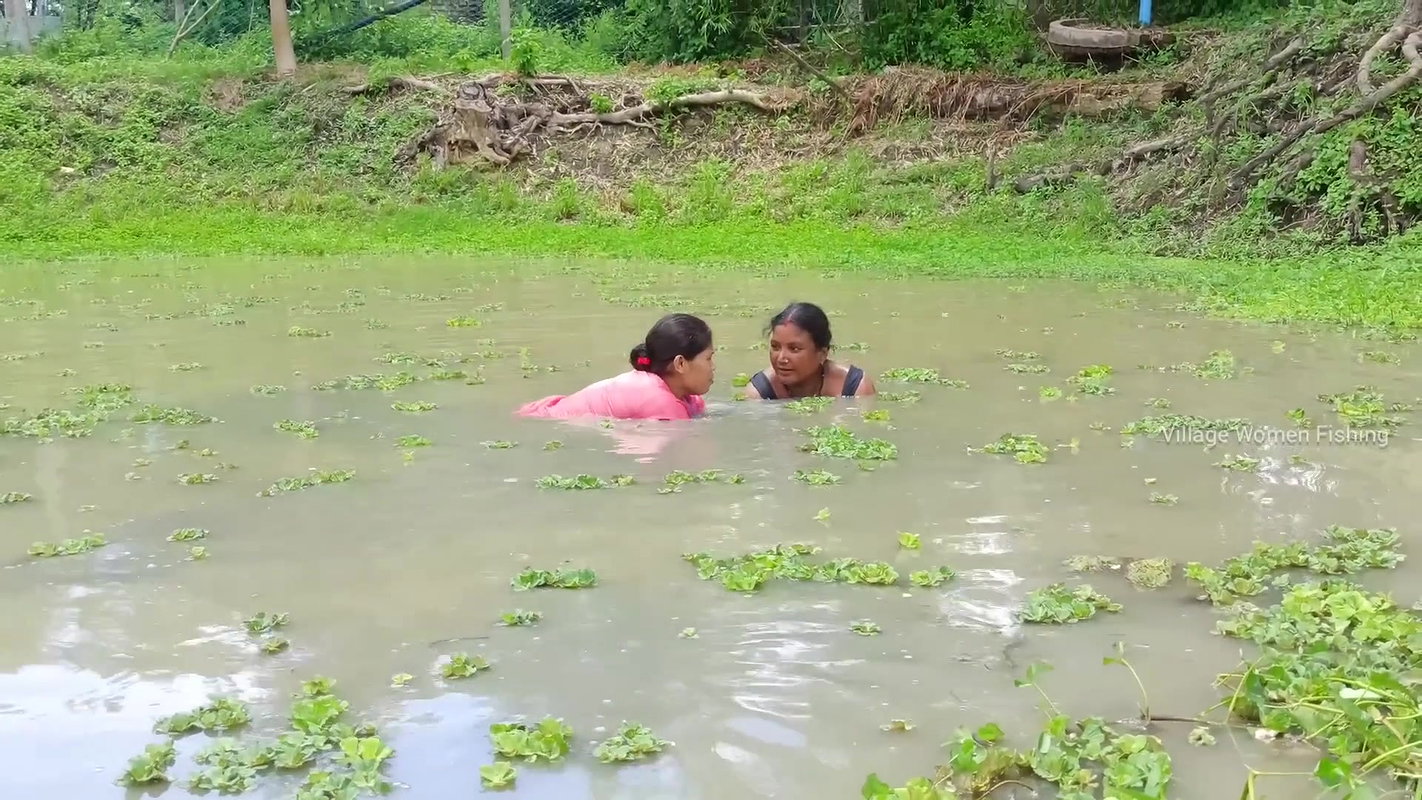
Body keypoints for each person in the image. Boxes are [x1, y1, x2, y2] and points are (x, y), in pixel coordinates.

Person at [516, 313, 715, 420]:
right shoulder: (658, 400)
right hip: (539, 421)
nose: (713, 367)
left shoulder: (683, 395)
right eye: (708, 359)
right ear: (680, 363)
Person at [744, 301, 876, 400]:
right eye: (775, 347)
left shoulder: (855, 388)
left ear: (822, 354)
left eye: (794, 349)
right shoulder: (759, 393)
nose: (781, 358)